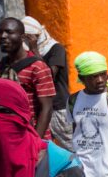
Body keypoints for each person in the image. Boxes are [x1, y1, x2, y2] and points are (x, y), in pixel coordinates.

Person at [0, 17, 55, 139]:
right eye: (0, 32)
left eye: (9, 32)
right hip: (9, 133)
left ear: (22, 38)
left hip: (32, 136)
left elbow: (47, 108)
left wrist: (35, 141)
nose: (2, 36)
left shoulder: (38, 67)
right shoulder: (3, 65)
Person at [21, 16, 72, 150]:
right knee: (46, 146)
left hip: (57, 107)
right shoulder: (26, 53)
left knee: (70, 145)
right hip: (41, 108)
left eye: (29, 37)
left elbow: (48, 75)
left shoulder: (56, 49)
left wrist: (34, 50)